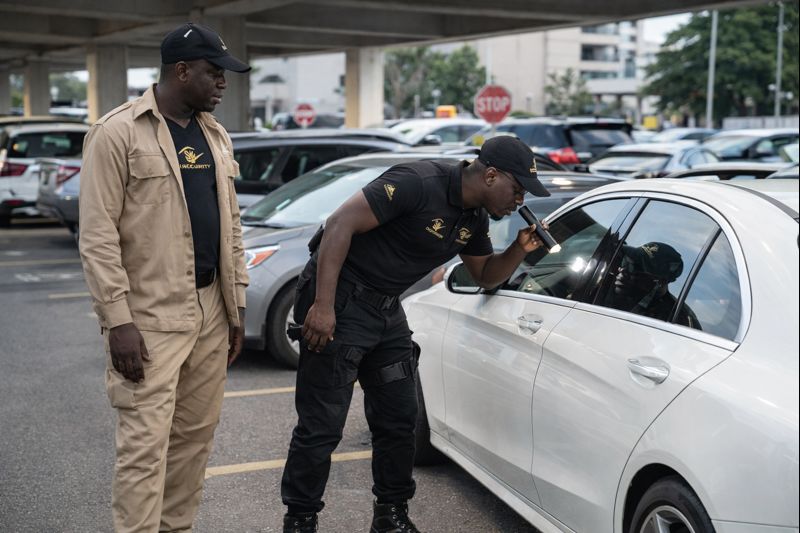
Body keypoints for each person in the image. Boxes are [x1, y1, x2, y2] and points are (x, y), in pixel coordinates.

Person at [281, 136, 551, 533]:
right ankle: (300, 520)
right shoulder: (418, 181)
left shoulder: (473, 219)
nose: (520, 200)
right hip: (340, 299)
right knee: (321, 426)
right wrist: (321, 306)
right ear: (491, 175)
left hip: (387, 308)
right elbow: (339, 224)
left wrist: (519, 250)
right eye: (517, 189)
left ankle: (391, 517)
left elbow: (485, 276)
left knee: (399, 419)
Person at [78, 22, 250, 533]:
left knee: (194, 442)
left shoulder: (215, 134)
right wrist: (118, 322)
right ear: (182, 70)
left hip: (211, 311)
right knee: (144, 448)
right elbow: (97, 237)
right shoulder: (116, 133)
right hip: (149, 318)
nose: (223, 84)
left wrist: (234, 304)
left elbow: (231, 226)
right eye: (214, 73)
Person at [610, 242, 698, 327]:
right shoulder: (607, 289)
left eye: (634, 267)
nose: (621, 269)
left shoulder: (677, 320)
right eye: (625, 261)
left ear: (661, 282)